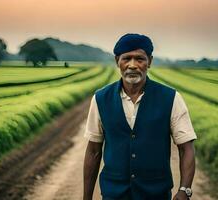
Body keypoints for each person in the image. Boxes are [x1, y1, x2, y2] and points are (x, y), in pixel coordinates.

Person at [83, 33, 197, 200]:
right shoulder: (100, 99)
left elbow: (186, 148)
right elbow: (93, 151)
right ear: (117, 61)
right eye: (126, 58)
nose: (133, 65)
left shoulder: (171, 98)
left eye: (140, 59)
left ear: (149, 61)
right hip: (114, 195)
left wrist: (184, 189)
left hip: (156, 194)